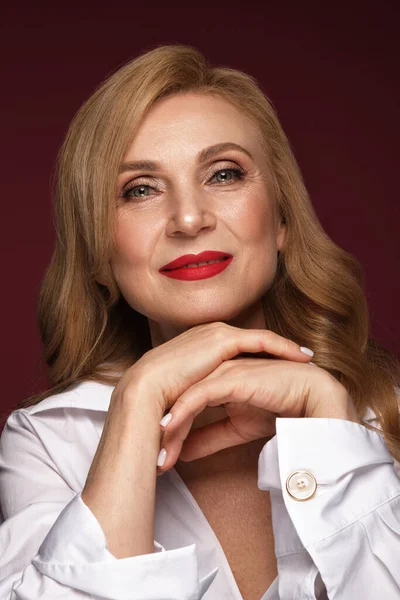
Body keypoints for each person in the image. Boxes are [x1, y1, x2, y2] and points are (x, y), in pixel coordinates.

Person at [0, 44, 399, 600]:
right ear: (96, 250)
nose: (189, 219)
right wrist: (138, 399)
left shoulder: (384, 415)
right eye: (139, 189)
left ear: (282, 220)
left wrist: (331, 431)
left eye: (224, 174)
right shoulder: (52, 442)